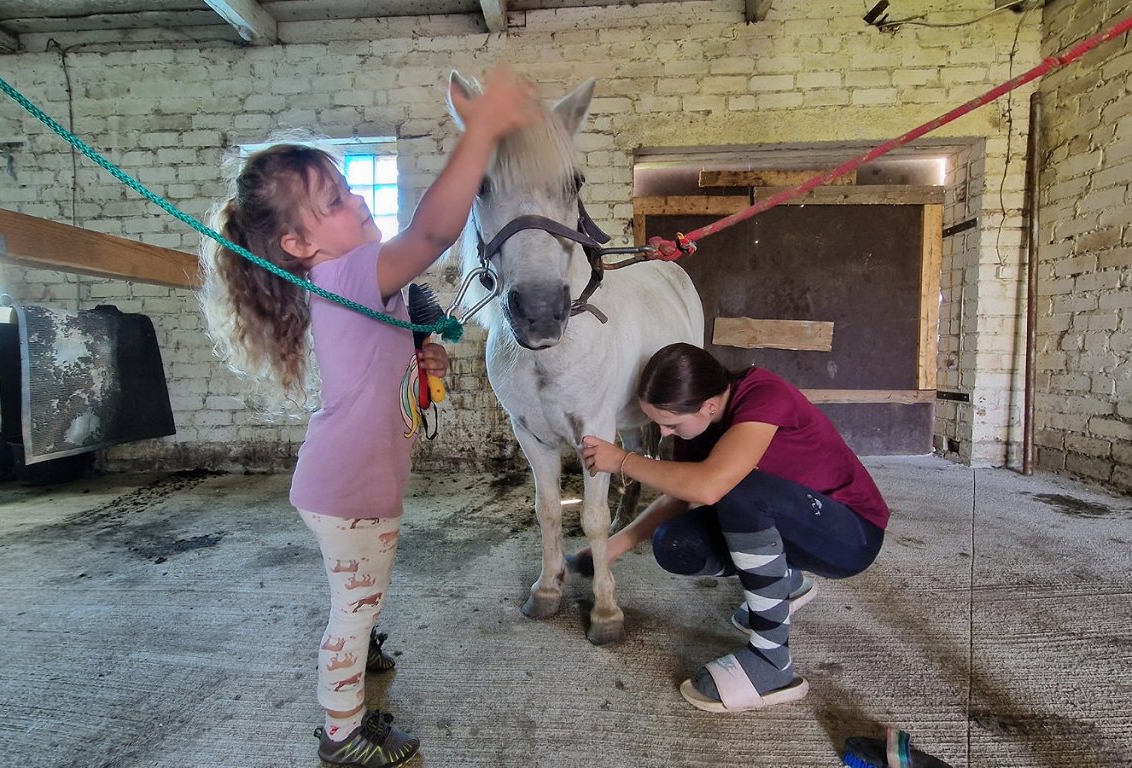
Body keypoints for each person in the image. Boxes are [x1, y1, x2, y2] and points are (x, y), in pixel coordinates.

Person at [199, 67, 541, 767]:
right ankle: (341, 736)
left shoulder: (351, 283)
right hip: (351, 490)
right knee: (348, 615)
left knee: (360, 598)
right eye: (336, 200)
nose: (356, 202)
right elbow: (433, 230)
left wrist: (421, 366)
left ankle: (366, 650)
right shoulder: (349, 271)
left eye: (350, 189)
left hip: (349, 483)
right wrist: (479, 132)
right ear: (299, 244)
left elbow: (384, 370)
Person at [575, 342, 889, 713]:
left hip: (851, 535)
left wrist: (624, 461)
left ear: (708, 405)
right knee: (675, 542)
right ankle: (786, 582)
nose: (664, 433)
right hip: (798, 527)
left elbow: (710, 485)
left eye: (670, 423)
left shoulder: (764, 394)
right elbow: (680, 496)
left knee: (740, 490)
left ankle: (773, 665)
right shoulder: (698, 427)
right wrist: (609, 549)